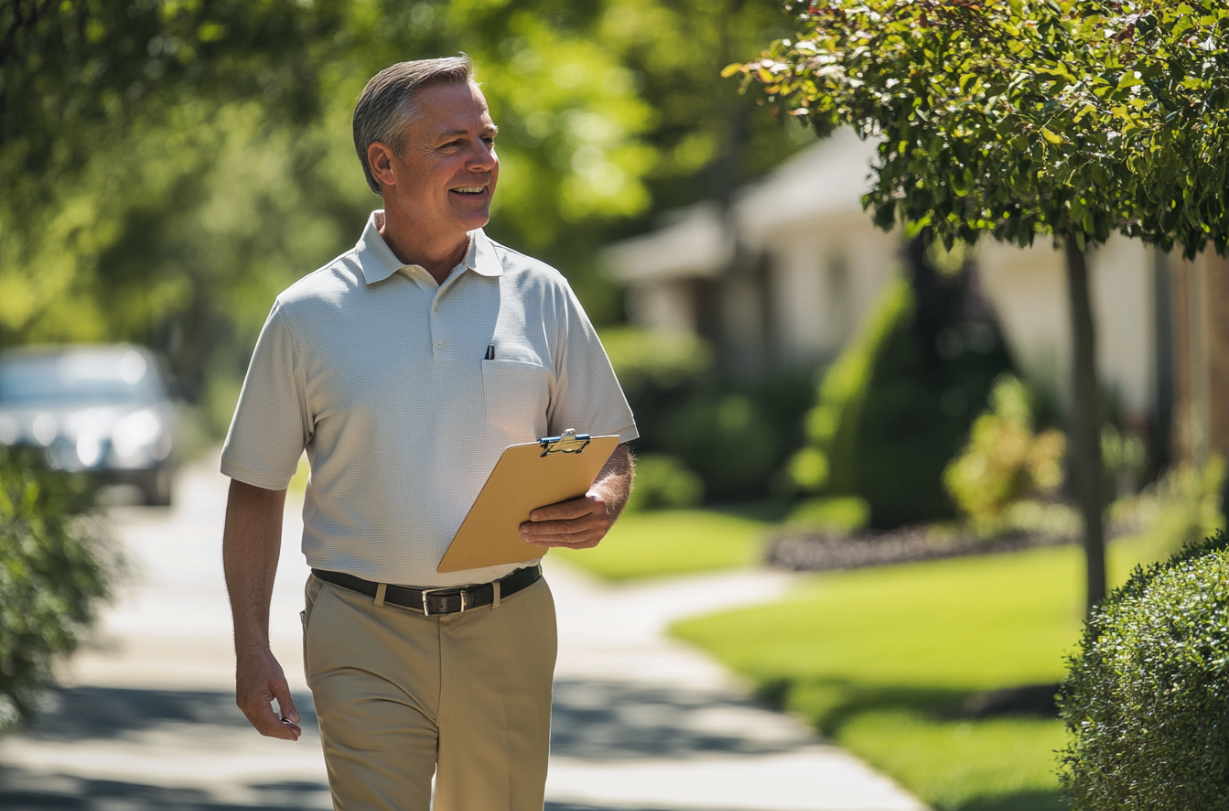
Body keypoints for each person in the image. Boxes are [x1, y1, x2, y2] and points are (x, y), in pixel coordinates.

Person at [220, 55, 637, 811]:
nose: (483, 160)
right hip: (361, 632)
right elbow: (256, 487)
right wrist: (252, 649)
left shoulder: (542, 294)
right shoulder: (305, 314)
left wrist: (604, 498)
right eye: (454, 144)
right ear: (384, 163)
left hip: (508, 626)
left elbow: (604, 444)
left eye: (486, 137)